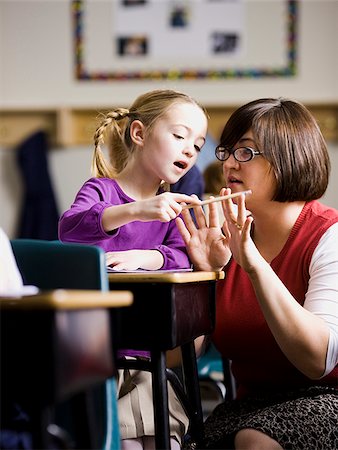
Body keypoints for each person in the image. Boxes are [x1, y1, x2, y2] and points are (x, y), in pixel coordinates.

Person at [176, 98, 338, 450]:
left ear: (288, 159)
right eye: (228, 151)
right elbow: (179, 359)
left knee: (255, 440)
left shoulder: (329, 236)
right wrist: (204, 275)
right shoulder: (224, 239)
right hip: (250, 408)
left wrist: (253, 264)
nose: (230, 163)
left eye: (247, 152)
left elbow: (317, 361)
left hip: (330, 397)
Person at [58, 89, 208, 449]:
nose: (190, 150)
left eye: (198, 145)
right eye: (179, 136)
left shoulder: (175, 207)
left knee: (163, 435)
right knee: (124, 441)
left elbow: (180, 256)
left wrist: (145, 257)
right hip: (95, 352)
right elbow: (71, 227)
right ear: (139, 134)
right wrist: (137, 210)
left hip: (148, 354)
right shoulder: (100, 190)